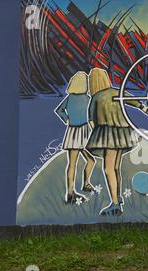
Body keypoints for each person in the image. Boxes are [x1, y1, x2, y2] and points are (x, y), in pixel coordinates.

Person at [86, 68, 144, 216]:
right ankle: (117, 196)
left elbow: (91, 120)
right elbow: (133, 101)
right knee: (116, 167)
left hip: (108, 134)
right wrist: (144, 108)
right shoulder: (116, 91)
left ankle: (115, 204)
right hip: (123, 133)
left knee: (108, 169)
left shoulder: (96, 97)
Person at [54, 71, 96, 204]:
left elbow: (59, 110)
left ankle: (77, 189)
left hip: (73, 132)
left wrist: (66, 119)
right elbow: (90, 117)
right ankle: (74, 191)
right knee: (84, 161)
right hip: (82, 132)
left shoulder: (69, 98)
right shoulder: (87, 99)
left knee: (78, 162)